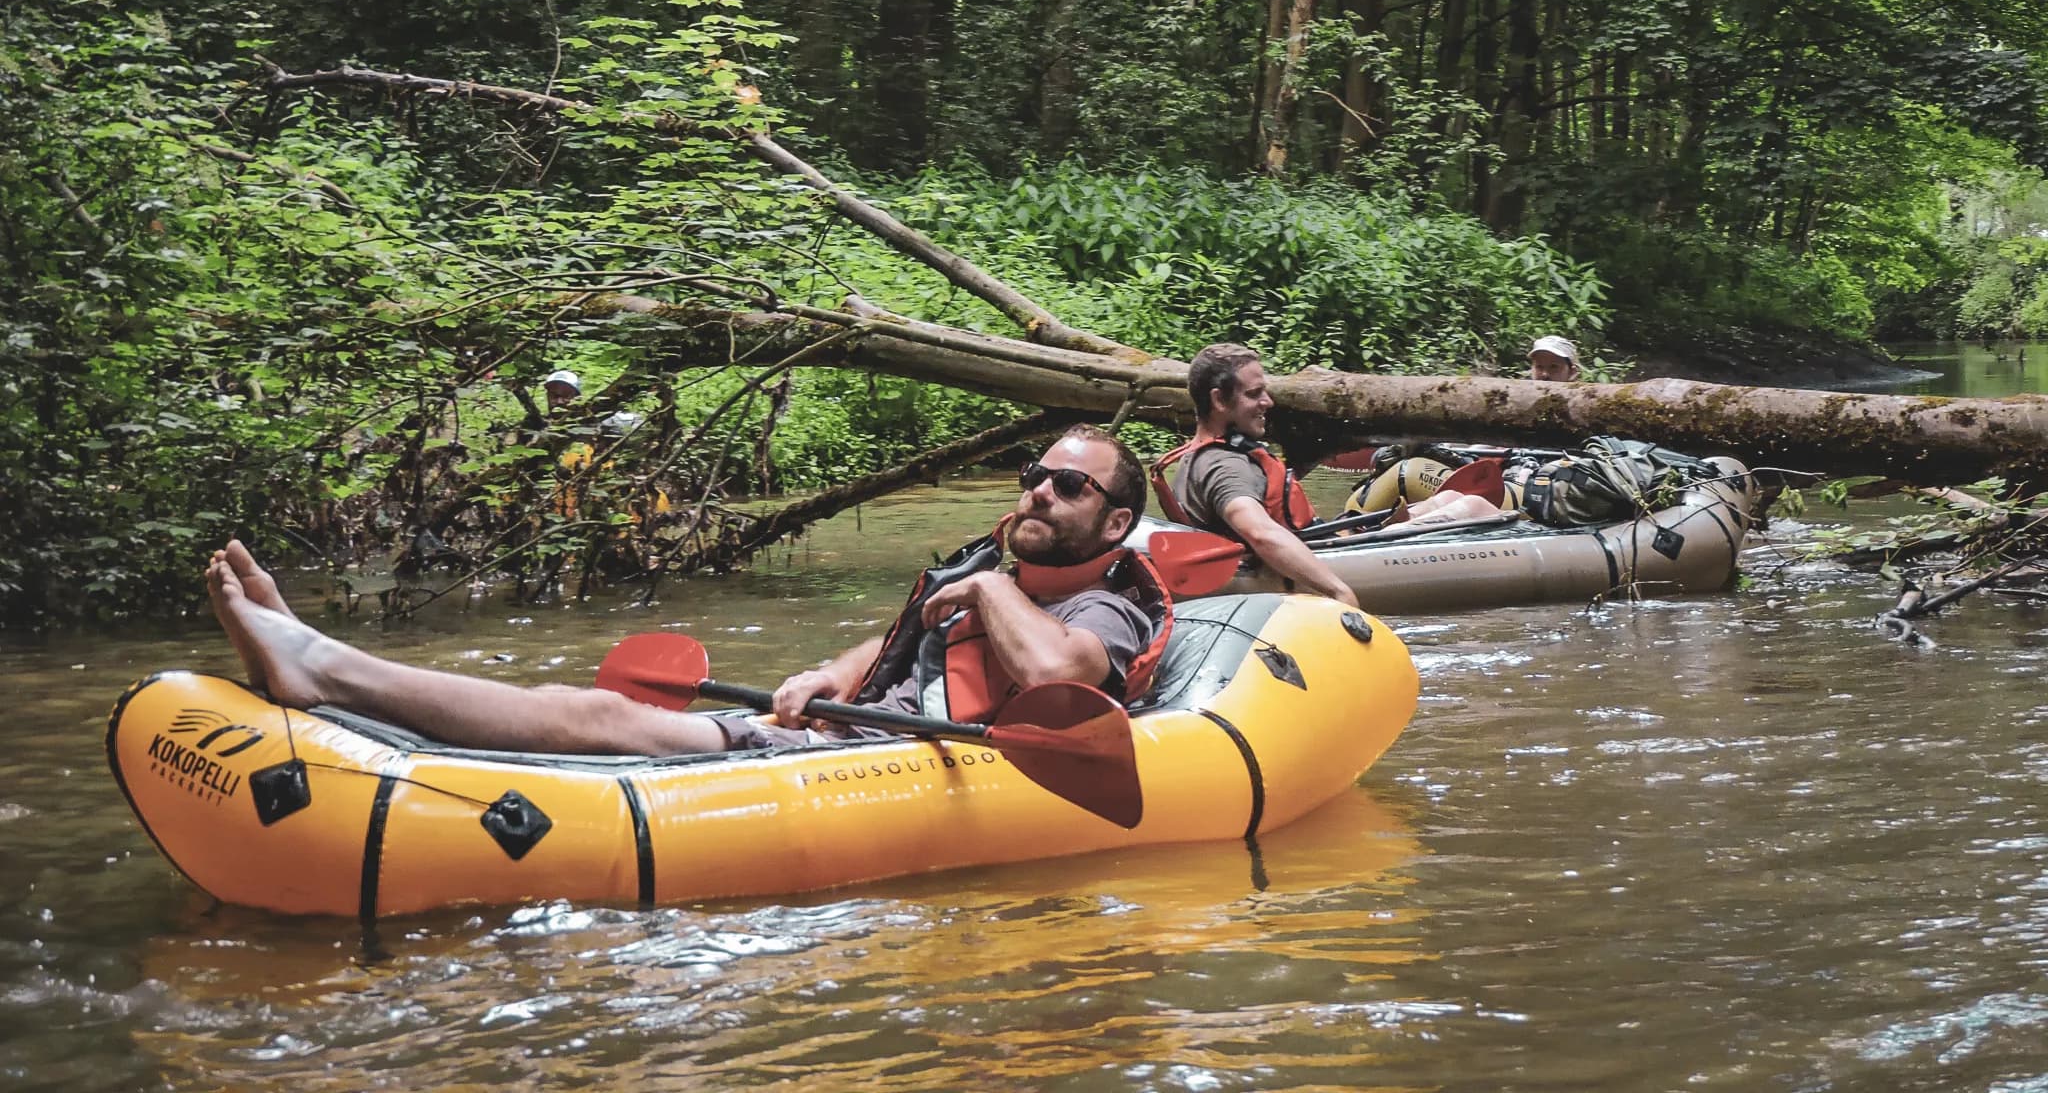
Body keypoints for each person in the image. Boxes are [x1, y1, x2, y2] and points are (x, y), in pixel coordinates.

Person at [205, 425, 1170, 757]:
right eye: (1033, 479)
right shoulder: (989, 576)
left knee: (593, 719)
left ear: (1116, 522)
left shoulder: (1107, 606)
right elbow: (896, 653)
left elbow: (1058, 675)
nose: (1039, 491)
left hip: (904, 765)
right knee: (572, 705)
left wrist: (993, 589)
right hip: (843, 732)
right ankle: (313, 655)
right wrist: (817, 676)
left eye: (1069, 485)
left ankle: (323, 666)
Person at [1150, 344, 1358, 606]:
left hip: (1316, 537)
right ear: (1219, 401)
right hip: (1292, 564)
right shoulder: (1224, 466)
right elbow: (1260, 533)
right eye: (1254, 394)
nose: (1268, 402)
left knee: (1422, 512)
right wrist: (1339, 590)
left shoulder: (1199, 455)